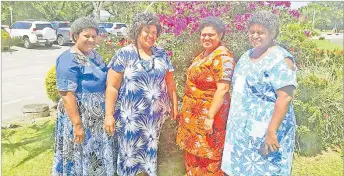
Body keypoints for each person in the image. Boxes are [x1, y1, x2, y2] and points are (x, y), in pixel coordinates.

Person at [221, 11, 297, 175]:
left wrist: (271, 131)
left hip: (266, 128)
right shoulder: (246, 56)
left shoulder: (281, 59)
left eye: (261, 32)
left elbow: (285, 97)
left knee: (264, 168)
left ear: (273, 33)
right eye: (252, 32)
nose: (255, 36)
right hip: (241, 128)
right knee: (241, 168)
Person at [104, 12, 178, 176]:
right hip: (130, 119)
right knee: (130, 158)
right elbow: (112, 87)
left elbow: (170, 83)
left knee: (149, 158)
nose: (151, 35)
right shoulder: (124, 54)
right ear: (137, 31)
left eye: (154, 32)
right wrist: (109, 115)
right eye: (147, 31)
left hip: (153, 118)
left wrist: (174, 106)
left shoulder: (161, 53)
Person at [52, 17, 117, 176]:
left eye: (94, 36)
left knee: (94, 154)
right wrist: (77, 125)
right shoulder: (68, 59)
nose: (91, 39)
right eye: (86, 36)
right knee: (79, 152)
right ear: (75, 36)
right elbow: (67, 94)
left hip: (96, 117)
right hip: (79, 116)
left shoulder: (94, 55)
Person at [176, 16, 235, 176]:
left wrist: (209, 117)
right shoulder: (204, 54)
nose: (206, 38)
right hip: (193, 119)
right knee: (194, 158)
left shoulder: (223, 57)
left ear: (221, 34)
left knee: (209, 160)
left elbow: (222, 89)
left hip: (210, 119)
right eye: (204, 34)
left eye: (211, 35)